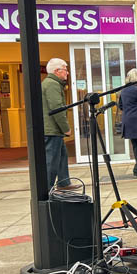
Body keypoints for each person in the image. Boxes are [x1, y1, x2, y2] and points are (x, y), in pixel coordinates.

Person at [42, 58, 78, 191]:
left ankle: (64, 182)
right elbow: (57, 108)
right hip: (51, 130)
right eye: (65, 69)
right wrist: (66, 128)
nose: (67, 73)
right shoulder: (52, 84)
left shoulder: (52, 83)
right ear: (57, 71)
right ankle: (47, 188)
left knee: (62, 156)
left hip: (53, 129)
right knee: (52, 160)